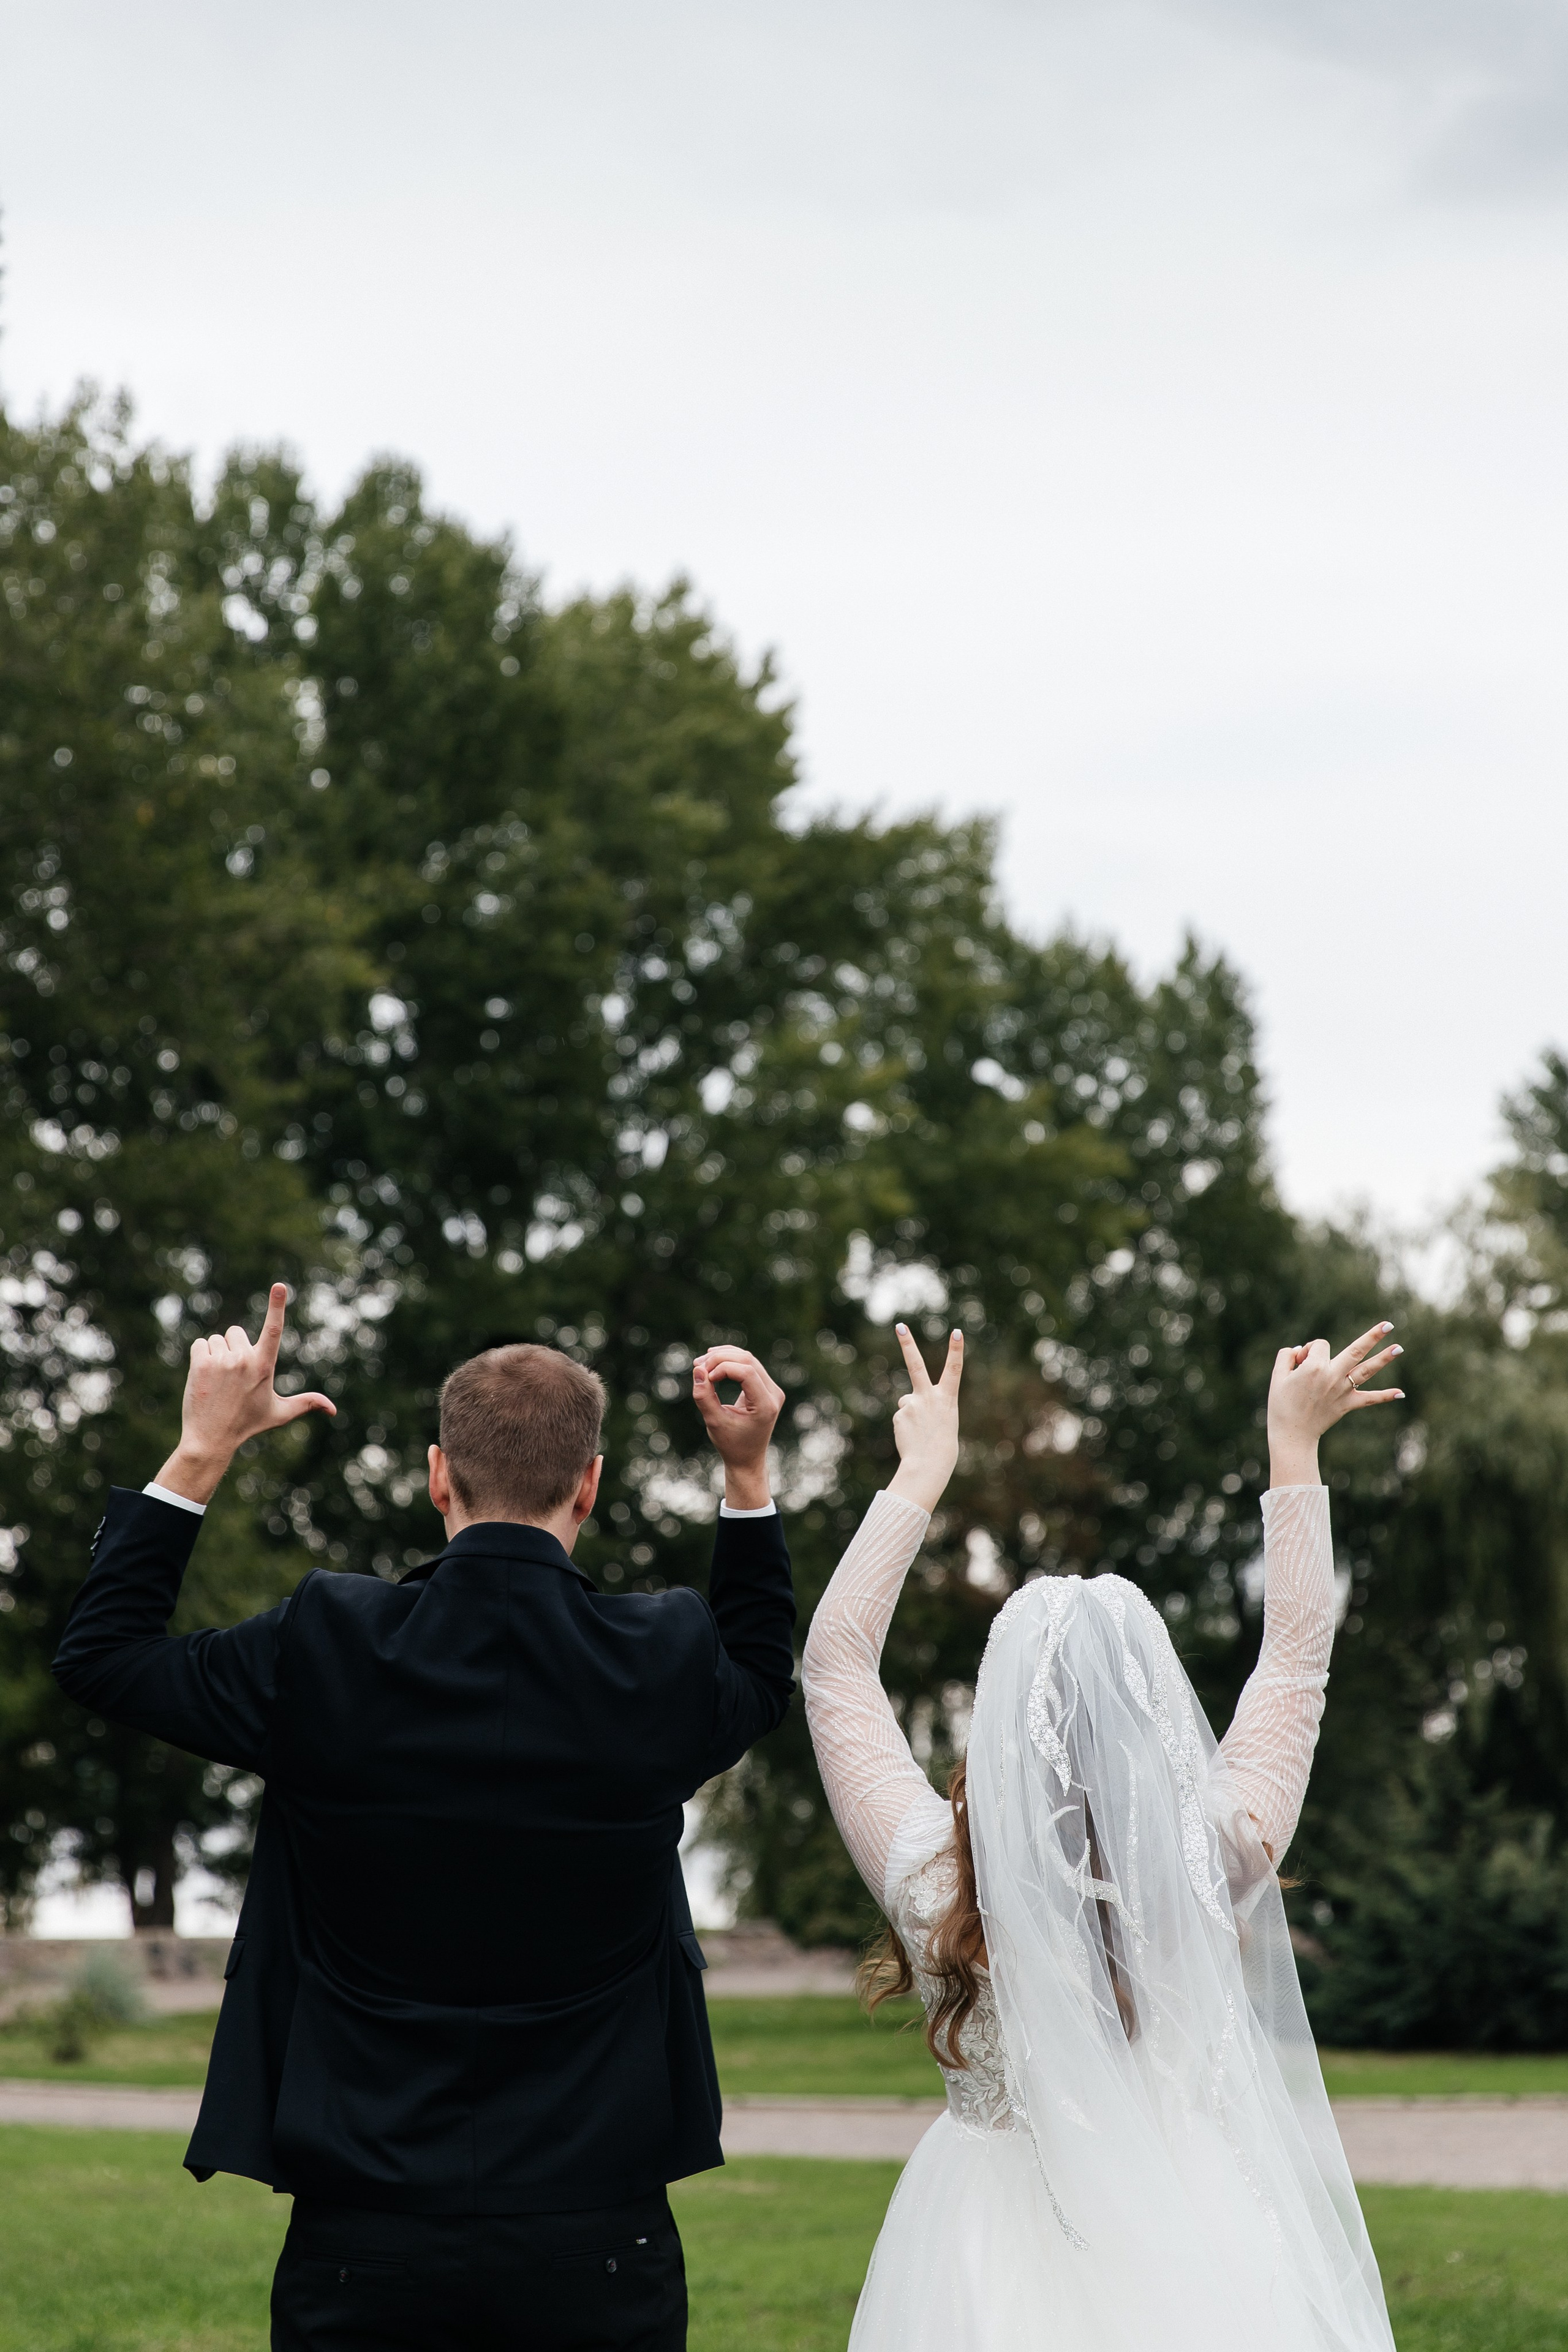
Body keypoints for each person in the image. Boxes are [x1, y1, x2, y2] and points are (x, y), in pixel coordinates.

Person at [54, 1284, 795, 2352]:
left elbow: (105, 1657)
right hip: (597, 2241)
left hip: (365, 2237)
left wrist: (203, 1448)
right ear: (590, 1486)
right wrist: (746, 1475)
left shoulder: (327, 1642)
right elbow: (766, 1673)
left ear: (438, 1476)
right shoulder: (664, 1657)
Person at [803, 1319, 1405, 2351]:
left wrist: (921, 1474)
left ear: (996, 1731)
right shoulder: (1222, 1859)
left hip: (975, 2247)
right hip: (1194, 2225)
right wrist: (1292, 1453)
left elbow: (835, 1666)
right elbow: (1297, 1658)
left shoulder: (931, 1886)